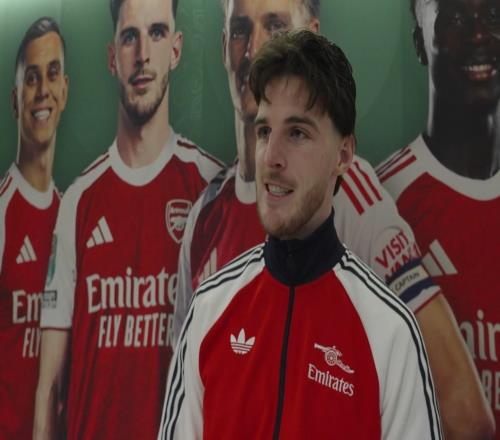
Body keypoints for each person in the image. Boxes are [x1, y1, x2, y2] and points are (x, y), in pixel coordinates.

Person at [174, 1, 491, 437]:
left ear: (312, 33)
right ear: (223, 43)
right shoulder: (204, 217)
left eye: (276, 27)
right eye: (241, 30)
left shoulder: (352, 194)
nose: (254, 49)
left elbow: (466, 414)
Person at [33, 0, 223, 439]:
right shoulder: (78, 201)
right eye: (129, 37)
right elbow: (49, 388)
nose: (142, 54)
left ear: (176, 49)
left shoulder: (212, 189)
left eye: (156, 33)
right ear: (111, 57)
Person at [377, 0, 499, 435]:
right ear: (419, 44)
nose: (479, 35)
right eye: (455, 20)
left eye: (493, 16)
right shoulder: (384, 202)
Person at [0, 17, 66, 440]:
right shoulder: (3, 210)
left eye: (52, 74)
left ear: (65, 90)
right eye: (31, 77)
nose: (42, 89)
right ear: (15, 99)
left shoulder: (71, 214)